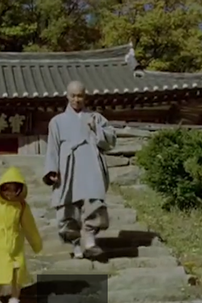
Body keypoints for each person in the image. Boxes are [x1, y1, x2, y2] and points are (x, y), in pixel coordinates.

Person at [43, 80, 117, 259]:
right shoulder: (57, 121)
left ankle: (90, 239)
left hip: (90, 160)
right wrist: (52, 169)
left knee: (95, 199)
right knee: (68, 204)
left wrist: (96, 129)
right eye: (73, 96)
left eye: (80, 96)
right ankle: (75, 243)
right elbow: (52, 148)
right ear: (67, 96)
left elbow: (110, 141)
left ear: (85, 97)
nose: (77, 99)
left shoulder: (96, 118)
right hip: (67, 164)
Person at [0, 166, 43, 303]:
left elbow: (29, 226)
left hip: (16, 244)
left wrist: (36, 244)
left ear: (19, 190)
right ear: (0, 188)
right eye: (6, 189)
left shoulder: (21, 205)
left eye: (14, 190)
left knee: (17, 272)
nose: (9, 193)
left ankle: (14, 297)